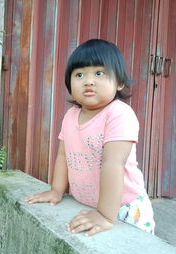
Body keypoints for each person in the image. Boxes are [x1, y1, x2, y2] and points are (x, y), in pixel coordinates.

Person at [25, 39, 155, 236]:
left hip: (124, 208)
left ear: (119, 82)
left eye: (99, 73)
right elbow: (63, 156)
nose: (88, 80)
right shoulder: (70, 116)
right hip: (88, 204)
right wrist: (56, 190)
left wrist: (105, 215)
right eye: (79, 74)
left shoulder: (119, 114)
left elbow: (113, 164)